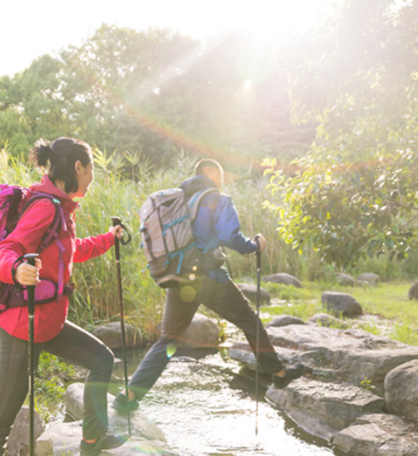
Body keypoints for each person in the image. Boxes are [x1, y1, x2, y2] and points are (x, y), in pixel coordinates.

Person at [0, 137, 123, 456]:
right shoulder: (44, 206)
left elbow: (72, 253)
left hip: (49, 324)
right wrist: (17, 267)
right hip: (23, 328)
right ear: (77, 167)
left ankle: (92, 437)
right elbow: (9, 247)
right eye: (91, 169)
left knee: (102, 359)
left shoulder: (61, 210)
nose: (92, 177)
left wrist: (110, 239)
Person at [113, 158, 305, 414]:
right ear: (213, 174)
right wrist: (254, 246)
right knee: (249, 320)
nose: (223, 180)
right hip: (209, 279)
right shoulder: (218, 198)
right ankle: (278, 372)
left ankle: (129, 394)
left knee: (167, 341)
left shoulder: (180, 201)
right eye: (221, 175)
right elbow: (228, 236)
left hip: (178, 277)